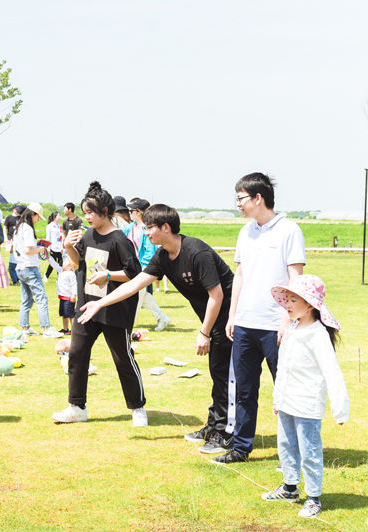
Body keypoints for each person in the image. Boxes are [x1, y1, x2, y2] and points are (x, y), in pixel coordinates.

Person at [77, 204, 234, 451]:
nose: (146, 233)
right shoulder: (163, 256)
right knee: (218, 372)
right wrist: (100, 303)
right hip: (213, 319)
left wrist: (204, 332)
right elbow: (136, 283)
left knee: (224, 374)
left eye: (149, 228)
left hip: (230, 319)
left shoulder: (196, 251)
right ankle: (214, 425)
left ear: (166, 227)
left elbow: (217, 295)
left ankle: (225, 434)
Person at [214, 172, 306, 464]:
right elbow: (240, 276)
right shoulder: (246, 232)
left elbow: (296, 279)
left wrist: (286, 319)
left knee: (286, 391)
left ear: (258, 198)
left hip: (275, 326)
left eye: (241, 198)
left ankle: (290, 452)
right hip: (244, 325)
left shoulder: (289, 230)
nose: (238, 204)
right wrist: (232, 315)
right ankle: (241, 447)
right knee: (244, 389)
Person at [52, 182, 145, 426]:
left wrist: (108, 275)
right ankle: (76, 406)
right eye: (85, 213)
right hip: (86, 306)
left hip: (114, 309)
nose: (87, 217)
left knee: (123, 357)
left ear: (105, 210)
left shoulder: (119, 240)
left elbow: (135, 275)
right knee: (77, 354)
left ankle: (137, 408)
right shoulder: (89, 234)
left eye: (91, 212)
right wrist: (68, 246)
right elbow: (78, 263)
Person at [260, 274, 348, 519]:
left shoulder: (318, 335)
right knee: (286, 446)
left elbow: (332, 372)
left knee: (309, 451)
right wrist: (278, 398)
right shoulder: (292, 328)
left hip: (307, 404)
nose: (287, 304)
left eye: (293, 300)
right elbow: (284, 368)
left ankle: (313, 498)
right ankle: (290, 488)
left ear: (310, 305)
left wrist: (340, 410)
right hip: (288, 402)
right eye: (286, 299)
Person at [13, 202, 63, 339]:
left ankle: (25, 327)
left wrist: (37, 244)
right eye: (37, 217)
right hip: (29, 268)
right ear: (32, 214)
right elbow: (29, 250)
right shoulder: (28, 228)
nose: (37, 220)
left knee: (26, 300)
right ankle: (46, 328)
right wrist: (40, 249)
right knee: (41, 298)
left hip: (21, 268)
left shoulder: (19, 227)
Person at [124, 199, 171, 332]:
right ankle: (162, 318)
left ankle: (129, 325)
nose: (130, 213)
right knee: (144, 296)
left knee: (137, 295)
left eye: (132, 211)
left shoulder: (148, 228)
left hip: (143, 267)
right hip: (133, 266)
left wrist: (145, 268)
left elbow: (150, 251)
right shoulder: (130, 227)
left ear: (139, 212)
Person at [56, 257, 77, 335]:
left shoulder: (71, 274)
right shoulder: (61, 271)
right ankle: (65, 329)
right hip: (62, 297)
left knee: (71, 315)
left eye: (65, 262)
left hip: (69, 298)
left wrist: (74, 295)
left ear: (70, 266)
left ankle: (74, 330)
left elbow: (74, 285)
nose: (63, 263)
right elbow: (54, 264)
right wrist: (48, 257)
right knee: (64, 315)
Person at [5, 204, 24, 285]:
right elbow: (5, 227)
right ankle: (16, 279)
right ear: (13, 209)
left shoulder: (21, 218)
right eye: (16, 208)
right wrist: (6, 238)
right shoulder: (9, 217)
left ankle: (16, 279)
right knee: (12, 256)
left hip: (18, 240)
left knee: (16, 260)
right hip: (11, 239)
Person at [44, 211, 63, 282]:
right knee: (52, 264)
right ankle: (46, 275)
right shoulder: (49, 226)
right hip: (52, 247)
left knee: (61, 263)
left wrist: (62, 246)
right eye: (58, 216)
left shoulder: (60, 226)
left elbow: (61, 238)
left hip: (60, 248)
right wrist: (48, 249)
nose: (60, 217)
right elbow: (48, 238)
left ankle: (59, 278)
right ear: (54, 217)